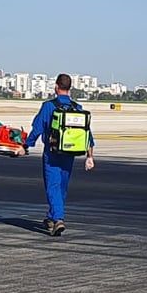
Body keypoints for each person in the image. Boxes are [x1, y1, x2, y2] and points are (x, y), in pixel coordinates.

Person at [24, 73, 95, 236]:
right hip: (70, 152)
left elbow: (37, 128)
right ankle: (51, 217)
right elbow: (87, 134)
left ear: (56, 86)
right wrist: (90, 156)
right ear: (69, 88)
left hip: (52, 153)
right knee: (62, 186)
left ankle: (58, 219)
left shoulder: (48, 106)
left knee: (53, 186)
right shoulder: (77, 108)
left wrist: (26, 145)